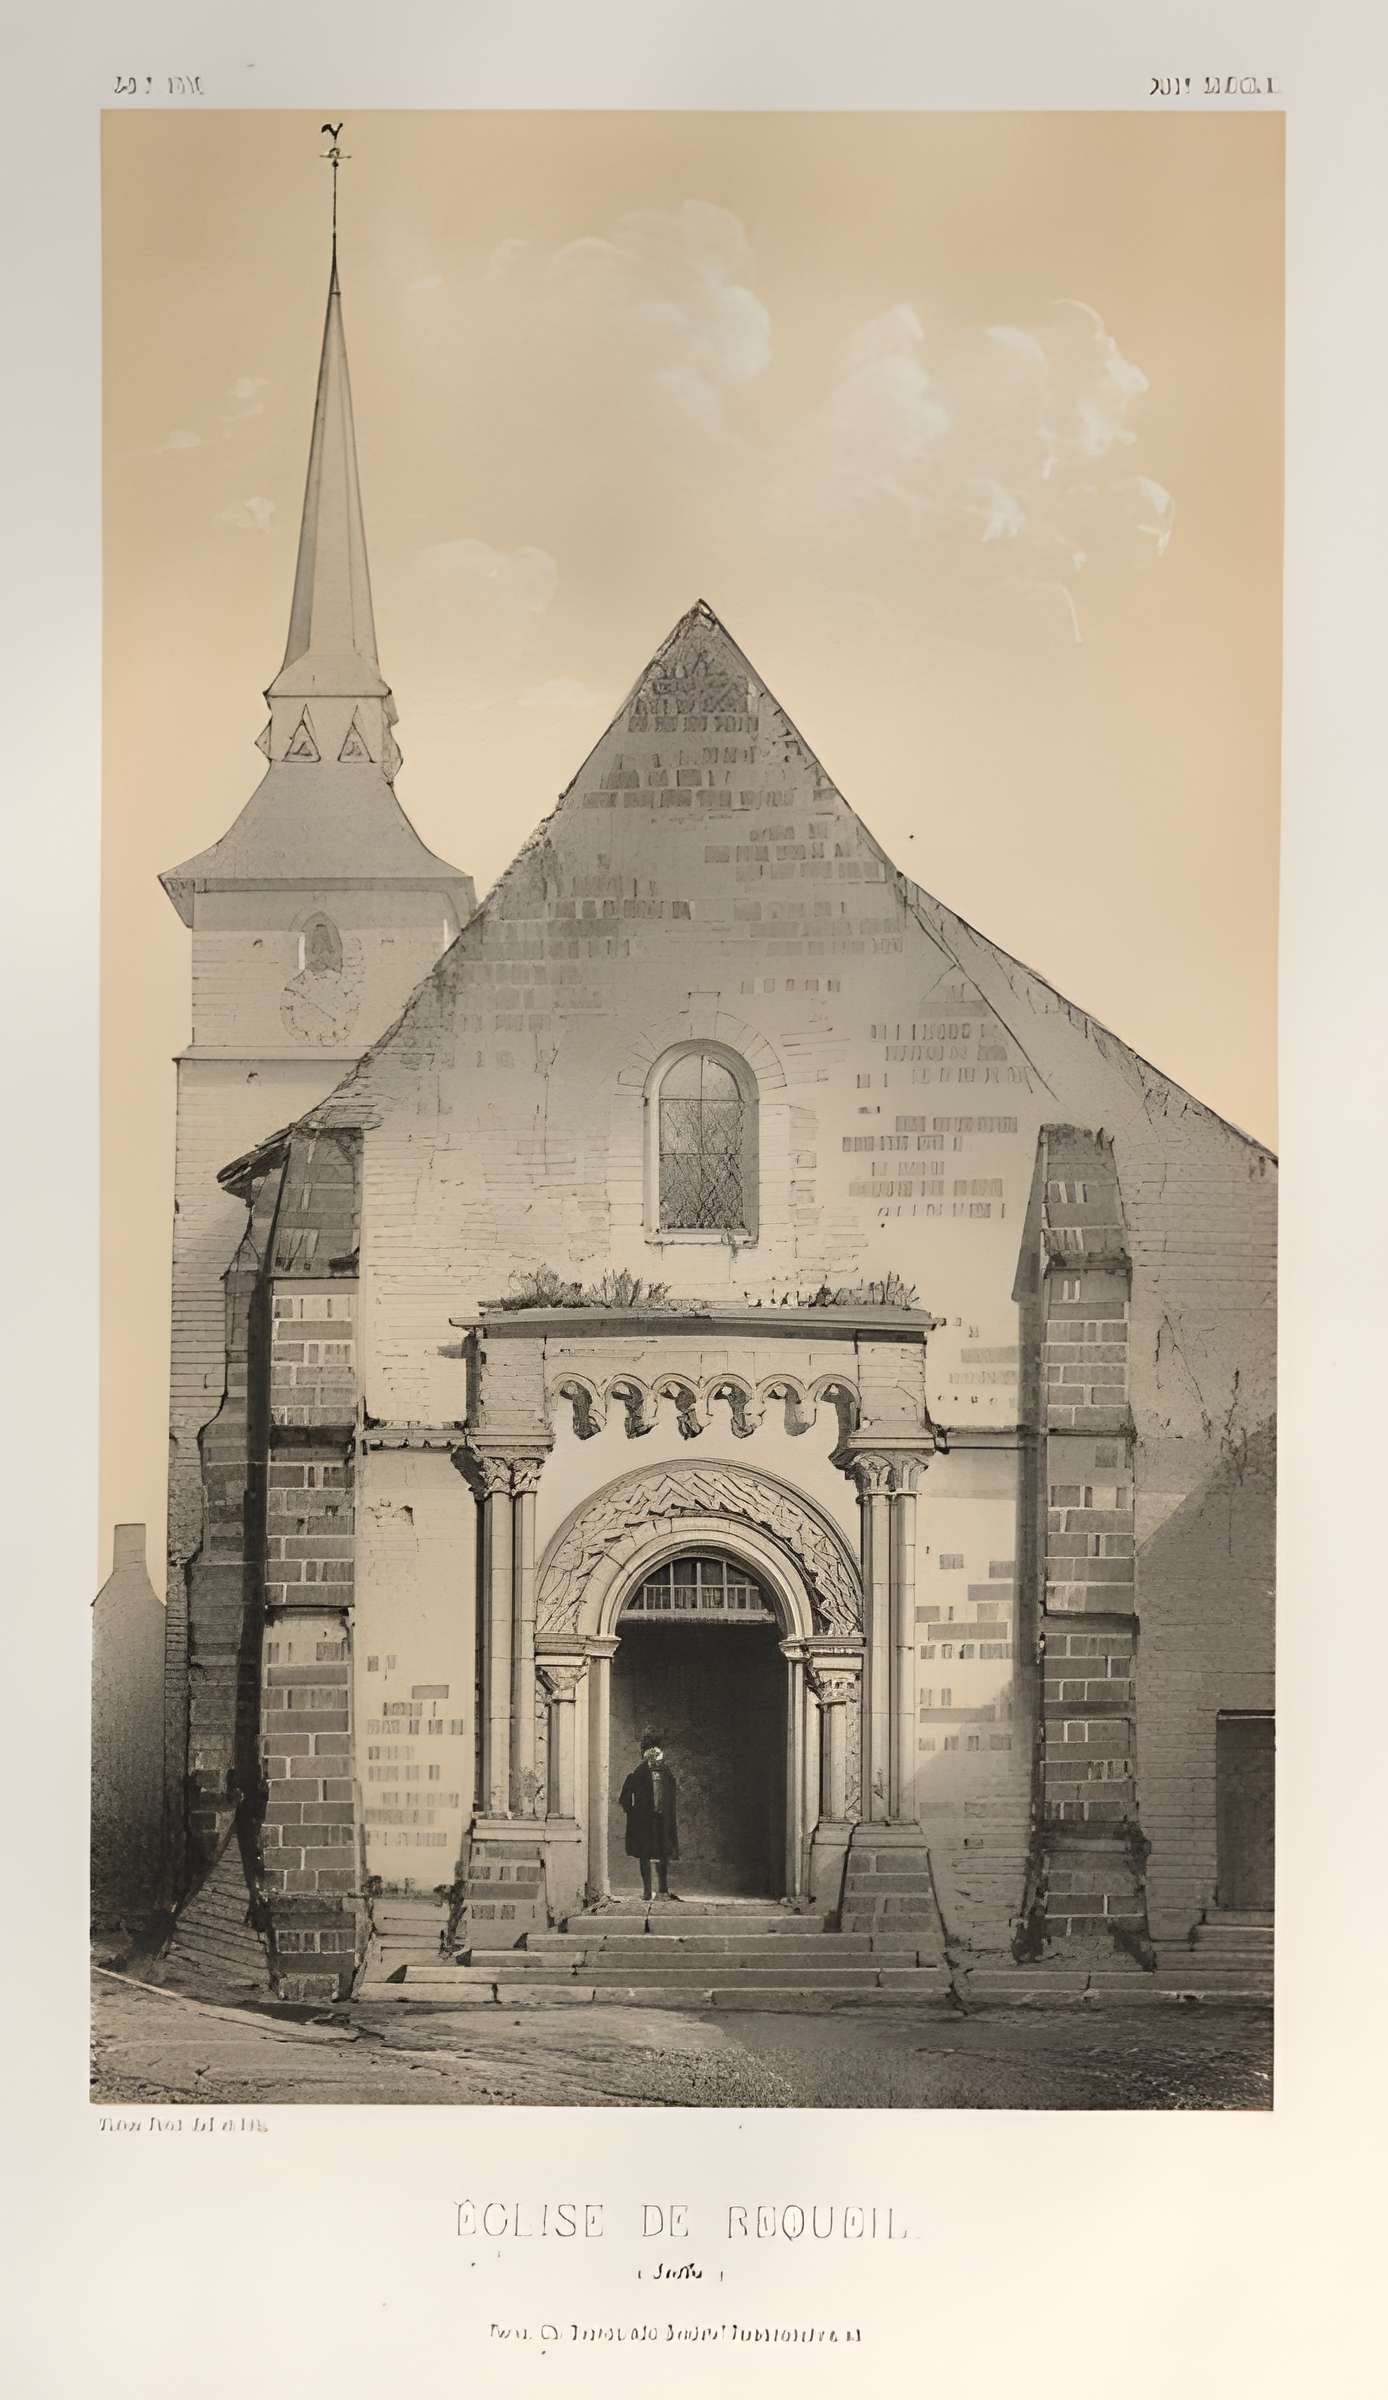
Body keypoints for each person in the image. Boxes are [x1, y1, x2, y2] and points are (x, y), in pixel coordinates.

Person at [618, 1735, 681, 1901]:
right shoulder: (638, 1773)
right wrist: (633, 1813)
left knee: (664, 1853)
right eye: (650, 1753)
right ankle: (647, 1891)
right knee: (645, 1854)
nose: (655, 1757)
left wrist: (667, 1812)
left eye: (657, 1753)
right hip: (645, 1821)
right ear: (645, 1754)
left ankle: (663, 1890)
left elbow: (671, 1795)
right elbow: (624, 1798)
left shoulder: (666, 1774)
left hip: (662, 1820)